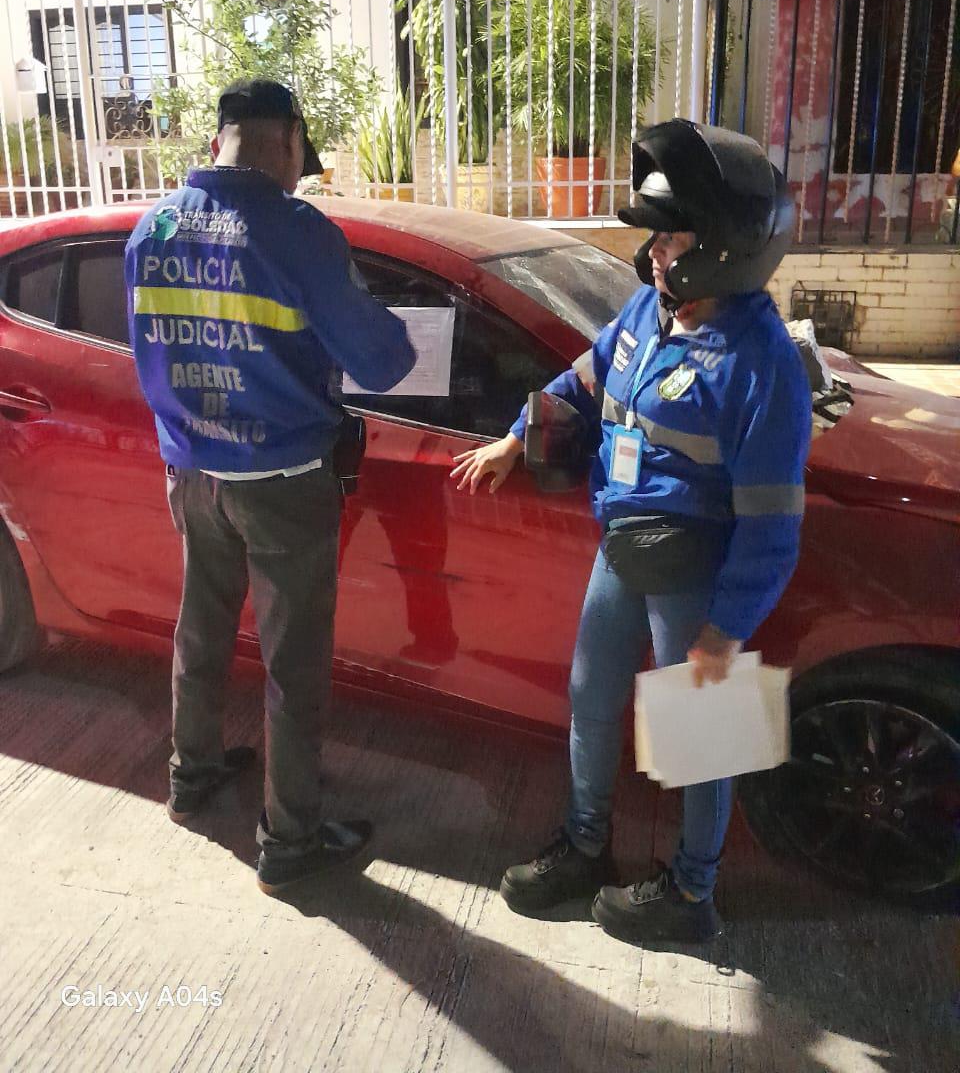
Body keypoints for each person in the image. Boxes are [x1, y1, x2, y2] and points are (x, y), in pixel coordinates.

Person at [451, 120, 811, 944]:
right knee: (590, 698)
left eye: (670, 233)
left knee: (702, 735)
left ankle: (692, 894)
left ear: (724, 244)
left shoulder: (761, 363)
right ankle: (585, 846)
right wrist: (517, 433)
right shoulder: (653, 312)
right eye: (654, 233)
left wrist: (727, 632)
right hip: (621, 547)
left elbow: (773, 525)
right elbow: (582, 377)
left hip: (694, 572)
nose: (653, 251)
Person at [124, 79, 416, 895]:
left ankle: (194, 774)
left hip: (192, 473)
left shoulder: (153, 226)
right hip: (282, 481)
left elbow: (154, 350)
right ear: (288, 139)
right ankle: (290, 839)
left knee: (201, 628)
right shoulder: (298, 233)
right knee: (293, 665)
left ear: (221, 138)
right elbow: (385, 361)